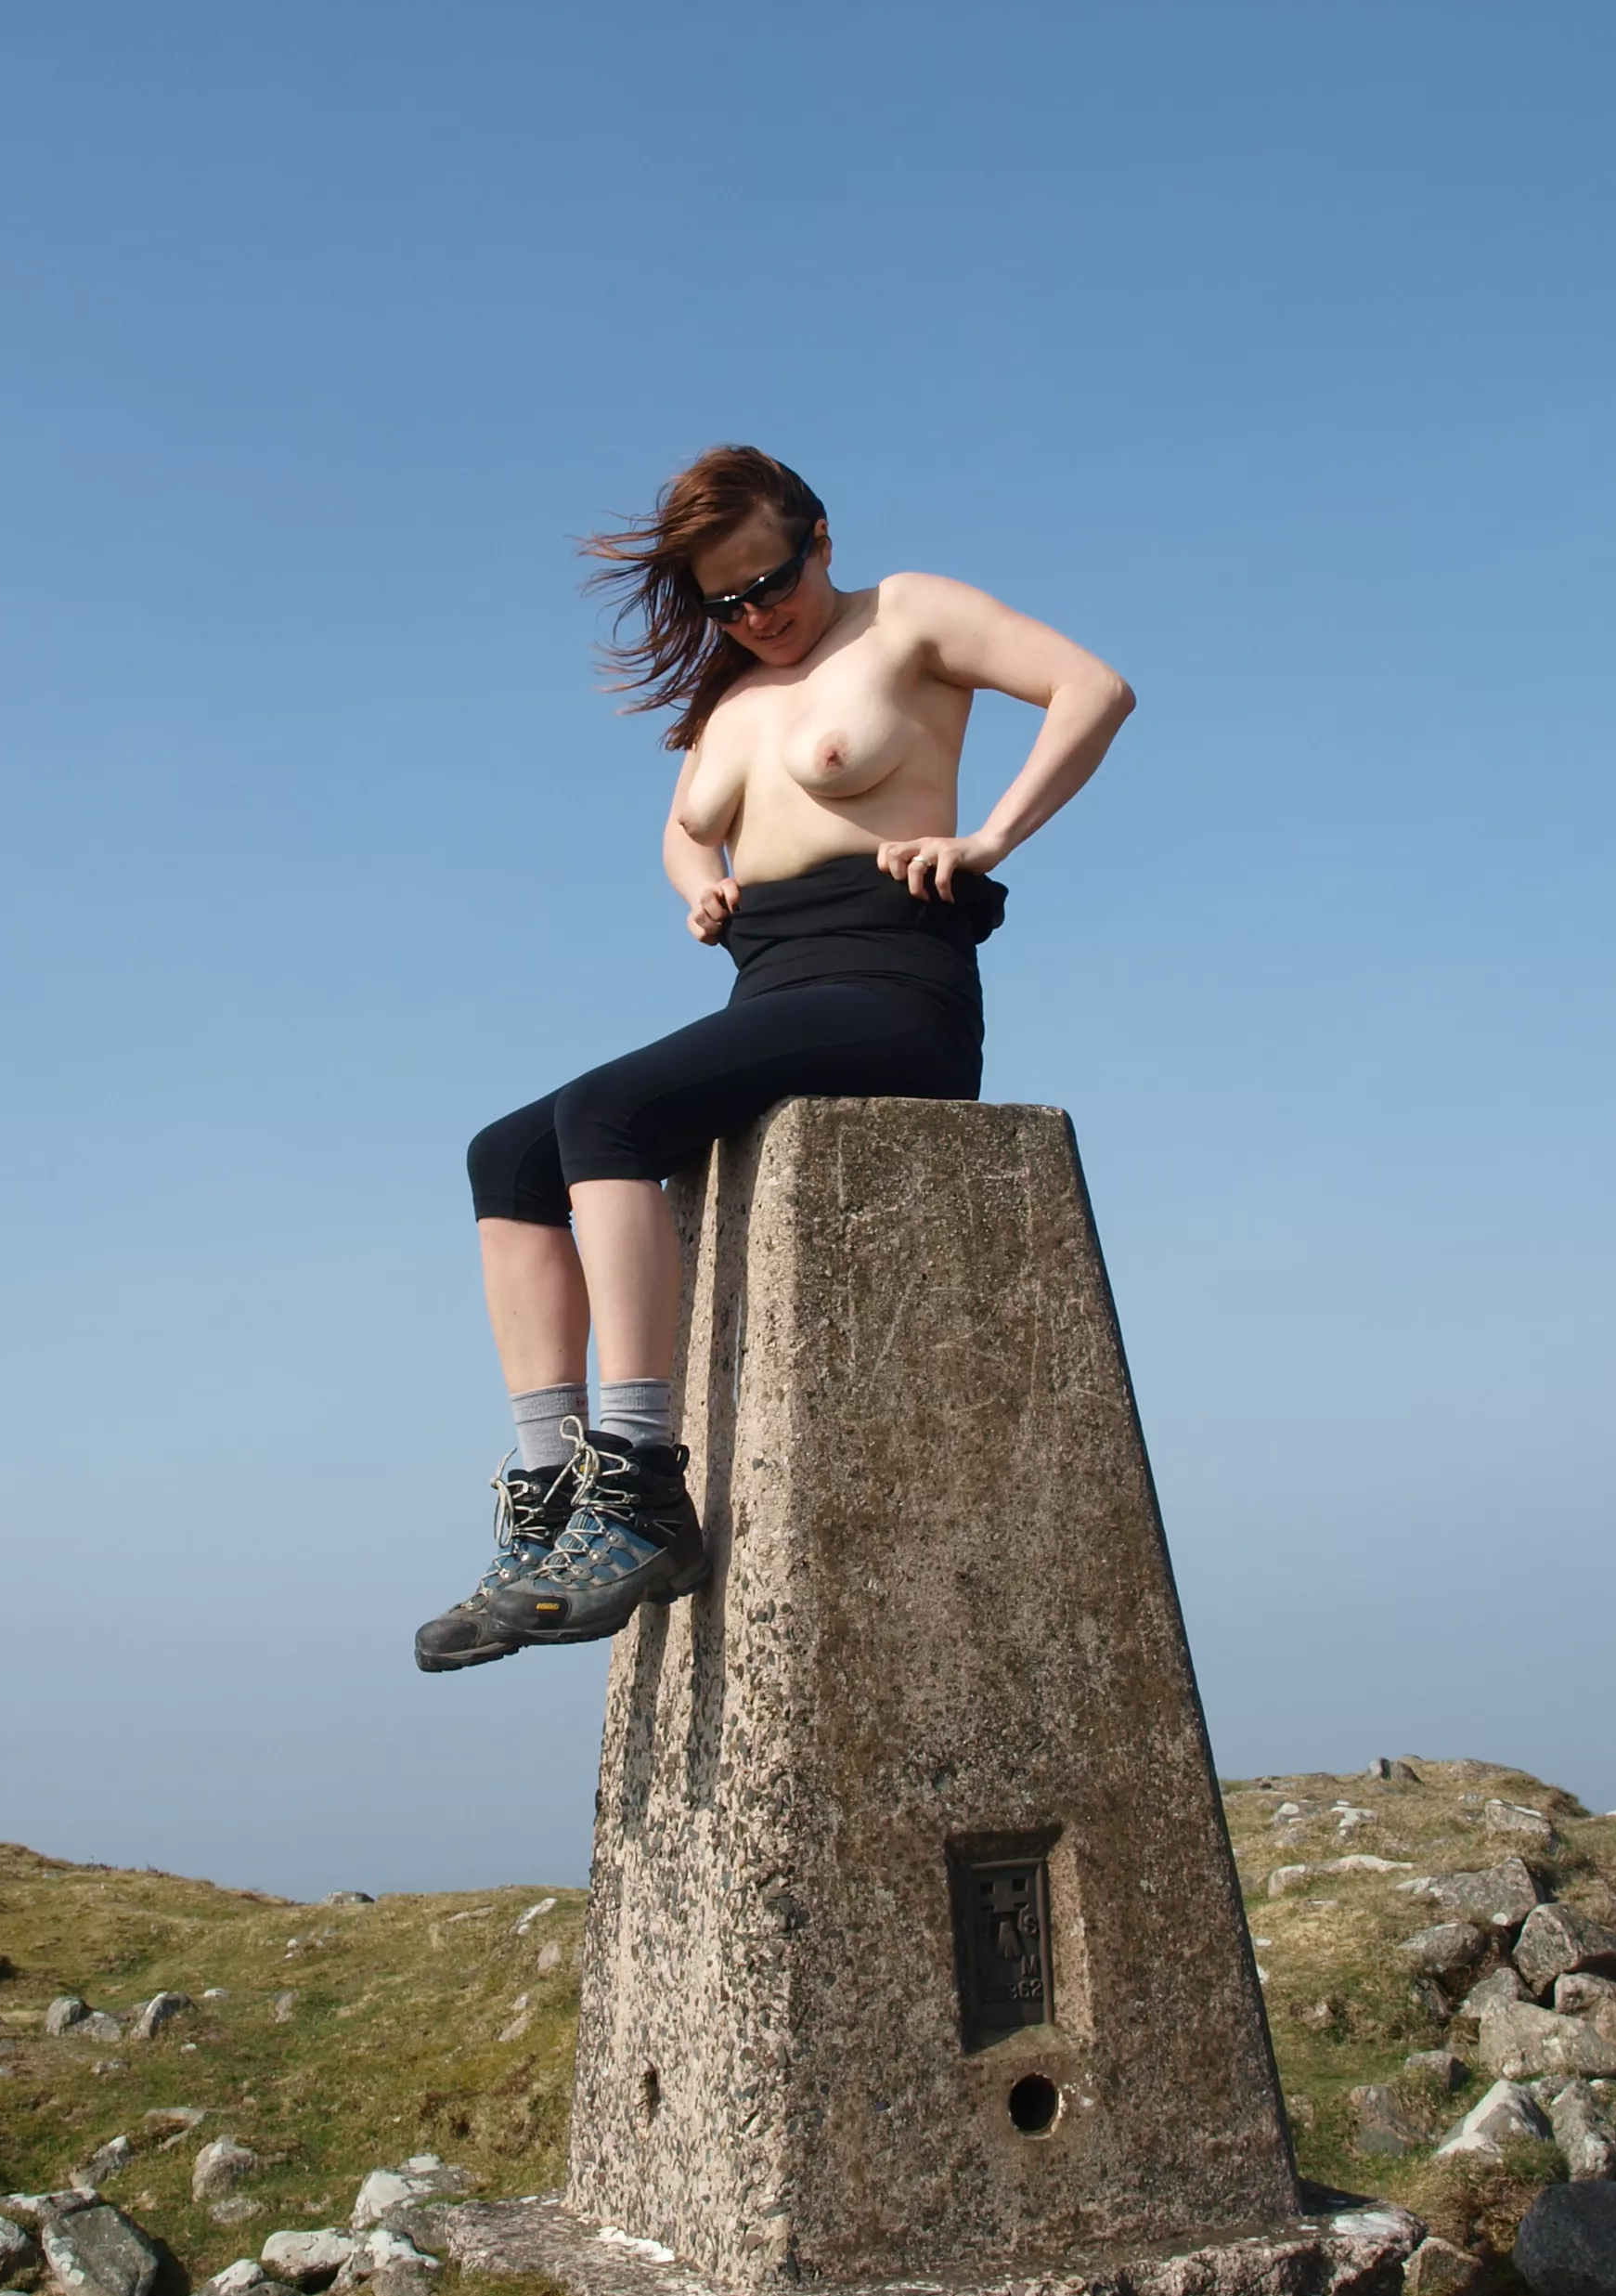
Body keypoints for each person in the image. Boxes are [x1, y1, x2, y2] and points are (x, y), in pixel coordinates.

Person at [415, 445, 1135, 1673]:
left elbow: (1093, 688)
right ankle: (549, 1498)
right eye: (727, 603)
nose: (759, 614)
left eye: (772, 580)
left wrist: (988, 836)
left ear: (820, 537)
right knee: (506, 1156)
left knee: (605, 1113)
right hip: (772, 989)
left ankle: (640, 1484)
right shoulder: (731, 703)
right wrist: (701, 886)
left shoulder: (905, 616)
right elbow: (681, 830)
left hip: (891, 988)